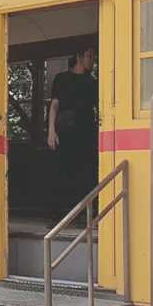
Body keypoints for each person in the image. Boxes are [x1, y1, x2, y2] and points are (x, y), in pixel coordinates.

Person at [47, 47, 98, 220]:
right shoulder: (62, 79)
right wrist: (51, 131)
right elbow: (54, 105)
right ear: (79, 56)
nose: (92, 60)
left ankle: (84, 212)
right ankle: (57, 213)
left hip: (87, 130)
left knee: (85, 171)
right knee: (61, 170)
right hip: (65, 129)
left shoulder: (92, 82)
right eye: (89, 56)